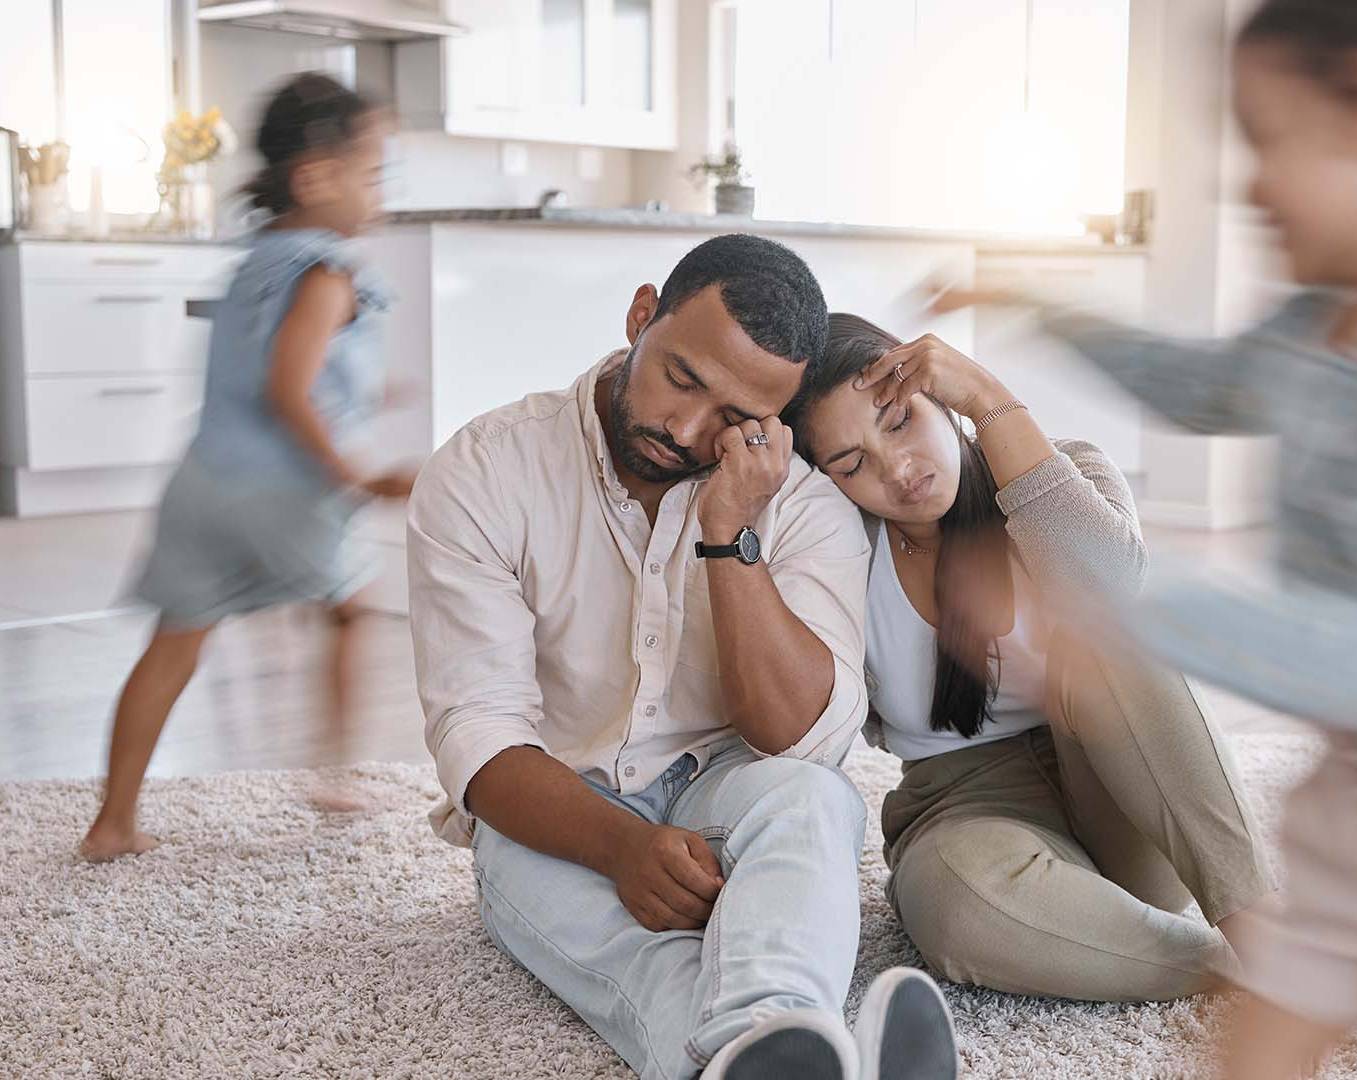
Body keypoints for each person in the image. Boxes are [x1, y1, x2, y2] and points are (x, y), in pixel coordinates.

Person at [939, 1, 1357, 1077]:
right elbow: (1202, 386)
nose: (1251, 188)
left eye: (1274, 141)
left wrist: (1120, 614)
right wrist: (1046, 308)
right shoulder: (1315, 325)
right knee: (1266, 1032)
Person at [406, 233, 959, 1080]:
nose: (686, 429)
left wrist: (729, 535)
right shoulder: (486, 471)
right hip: (554, 810)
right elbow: (477, 737)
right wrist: (619, 847)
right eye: (681, 379)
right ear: (640, 317)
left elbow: (800, 739)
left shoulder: (802, 505)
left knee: (813, 800)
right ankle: (764, 1038)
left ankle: (758, 1050)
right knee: (615, 937)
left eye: (735, 418)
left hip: (725, 794)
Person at [786, 314, 1275, 1003]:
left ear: (939, 395)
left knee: (1109, 629)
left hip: (1129, 798)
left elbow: (1118, 593)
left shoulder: (1060, 471)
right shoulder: (838, 555)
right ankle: (1224, 973)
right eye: (851, 463)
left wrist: (988, 402)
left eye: (900, 423)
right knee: (952, 904)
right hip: (967, 806)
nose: (898, 470)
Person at [79, 72, 413, 861]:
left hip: (201, 481)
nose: (380, 196)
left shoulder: (256, 258)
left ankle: (112, 822)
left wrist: (372, 390)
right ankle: (335, 773)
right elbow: (289, 389)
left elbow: (264, 365)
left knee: (174, 644)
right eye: (372, 175)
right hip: (280, 488)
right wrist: (357, 476)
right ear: (315, 178)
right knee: (347, 610)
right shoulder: (332, 270)